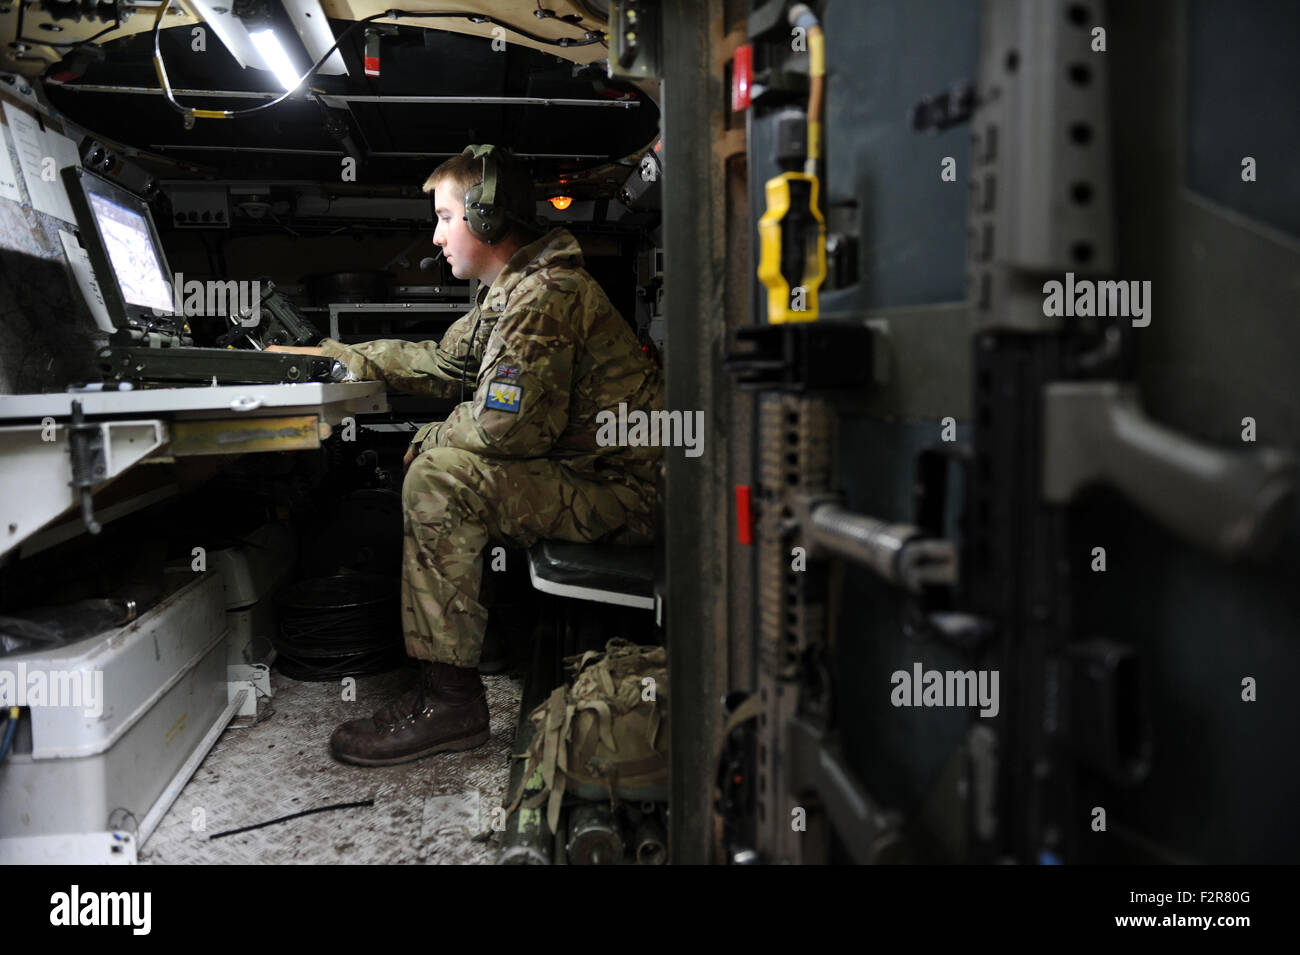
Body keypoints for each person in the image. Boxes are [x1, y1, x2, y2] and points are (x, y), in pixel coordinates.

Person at [269, 144, 663, 765]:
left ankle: (448, 702)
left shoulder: (544, 297)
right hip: (590, 476)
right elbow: (443, 362)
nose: (436, 235)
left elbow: (508, 432)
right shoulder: (508, 291)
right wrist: (341, 357)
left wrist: (431, 436)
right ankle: (487, 639)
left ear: (486, 219)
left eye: (446, 216)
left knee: (441, 478)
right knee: (448, 462)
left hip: (629, 497)